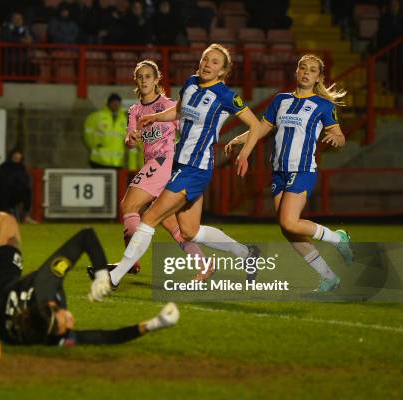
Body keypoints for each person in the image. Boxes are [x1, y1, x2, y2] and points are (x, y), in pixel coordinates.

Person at [0, 169, 180, 346]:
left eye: (65, 320)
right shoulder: (36, 335)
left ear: (52, 307)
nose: (71, 321)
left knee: (6, 223)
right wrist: (152, 325)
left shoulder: (46, 286)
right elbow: (102, 338)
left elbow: (85, 236)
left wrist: (103, 274)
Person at [90, 44, 262, 300]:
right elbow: (179, 110)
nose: (207, 64)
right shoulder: (191, 83)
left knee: (150, 217)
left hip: (196, 167)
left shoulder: (226, 95)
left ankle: (115, 277)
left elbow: (256, 125)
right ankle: (246, 253)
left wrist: (244, 153)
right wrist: (155, 118)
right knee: (189, 230)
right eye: (205, 59)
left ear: (223, 70)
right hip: (181, 164)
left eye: (215, 62)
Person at [225, 54, 354, 292]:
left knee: (289, 221)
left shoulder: (323, 105)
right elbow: (262, 128)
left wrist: (336, 138)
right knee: (288, 229)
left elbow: (340, 135)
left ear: (318, 78)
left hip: (302, 169)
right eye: (302, 68)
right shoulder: (281, 100)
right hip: (279, 172)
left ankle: (338, 238)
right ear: (296, 72)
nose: (306, 72)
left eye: (312, 70)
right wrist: (240, 139)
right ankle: (329, 277)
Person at [118, 59, 210, 278]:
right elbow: (130, 140)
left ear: (157, 79)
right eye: (140, 77)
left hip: (164, 161)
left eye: (148, 76)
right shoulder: (135, 110)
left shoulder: (169, 105)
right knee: (169, 223)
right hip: (153, 164)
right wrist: (131, 139)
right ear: (136, 81)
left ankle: (131, 260)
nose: (144, 80)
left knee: (128, 204)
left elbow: (187, 128)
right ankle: (204, 264)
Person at [83, 93, 141, 169]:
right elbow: (88, 134)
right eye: (113, 102)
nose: (115, 105)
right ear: (108, 103)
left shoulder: (123, 119)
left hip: (117, 162)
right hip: (99, 160)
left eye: (117, 103)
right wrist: (95, 146)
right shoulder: (96, 117)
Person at [0, 148, 33, 223]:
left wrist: (21, 185)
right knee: (3, 191)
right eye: (15, 157)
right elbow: (3, 181)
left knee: (27, 192)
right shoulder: (4, 167)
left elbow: (25, 180)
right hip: (2, 193)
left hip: (15, 192)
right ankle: (7, 213)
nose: (17, 158)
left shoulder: (21, 168)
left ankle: (25, 216)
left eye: (18, 157)